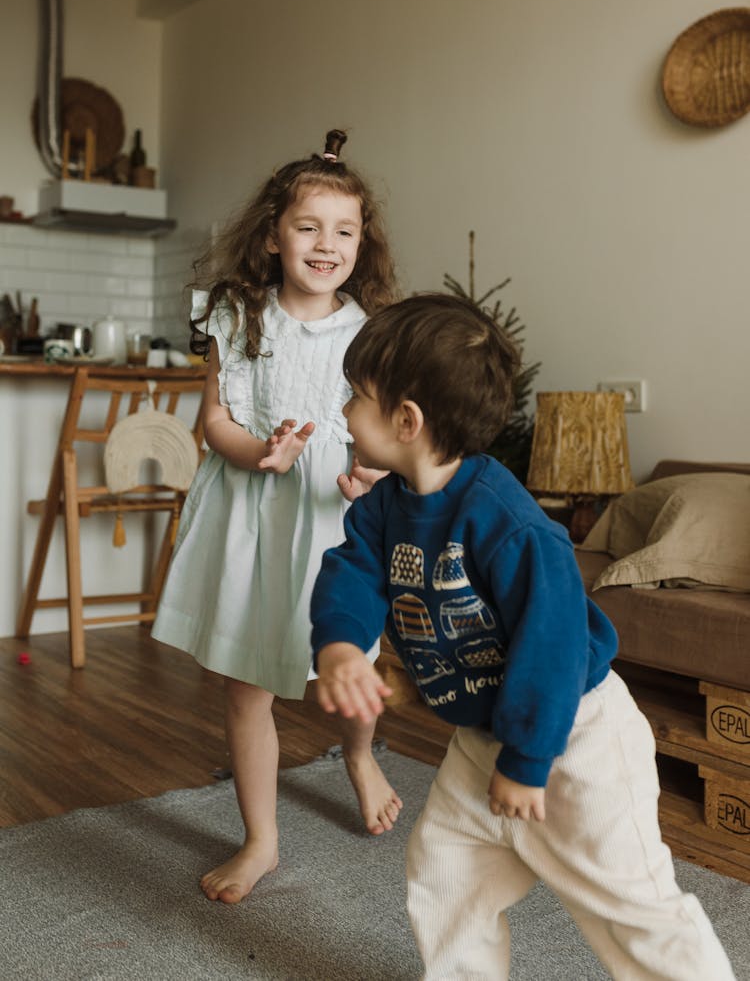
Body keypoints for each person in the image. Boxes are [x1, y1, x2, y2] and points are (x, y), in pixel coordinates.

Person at [310, 293, 735, 980]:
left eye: (355, 395)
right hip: (482, 739)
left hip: (574, 735)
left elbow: (556, 643)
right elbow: (351, 574)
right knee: (446, 874)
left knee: (628, 902)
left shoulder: (508, 521)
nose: (344, 410)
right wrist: (336, 647)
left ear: (407, 420)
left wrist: (530, 759)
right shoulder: (387, 505)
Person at [152, 129, 403, 905]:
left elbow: (387, 434)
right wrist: (255, 450)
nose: (326, 245)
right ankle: (259, 839)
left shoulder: (370, 330)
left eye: (344, 231)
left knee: (348, 664)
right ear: (272, 235)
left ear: (363, 243)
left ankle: (359, 755)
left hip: (333, 516)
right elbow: (215, 421)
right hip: (250, 515)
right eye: (308, 227)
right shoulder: (237, 316)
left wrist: (369, 468)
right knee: (246, 684)